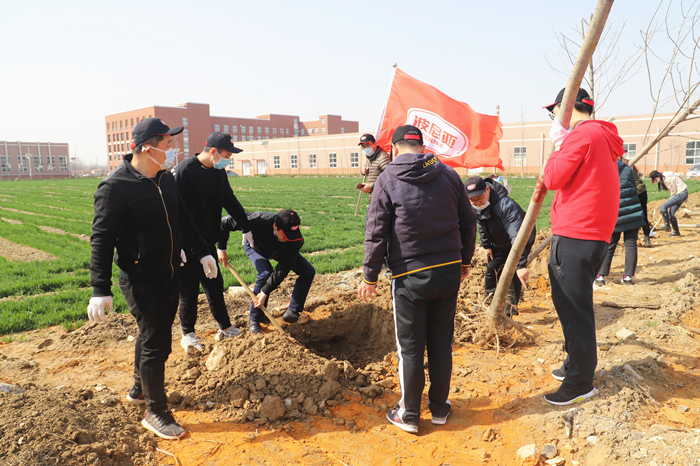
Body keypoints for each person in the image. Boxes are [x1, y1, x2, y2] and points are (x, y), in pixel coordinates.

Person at [88, 118, 218, 440]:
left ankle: (139, 390)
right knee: (157, 343)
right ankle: (156, 412)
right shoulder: (115, 187)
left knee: (150, 336)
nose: (173, 151)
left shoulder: (165, 179)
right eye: (168, 145)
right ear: (148, 148)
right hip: (141, 278)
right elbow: (102, 239)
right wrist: (99, 288)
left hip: (170, 270)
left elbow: (182, 218)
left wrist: (202, 251)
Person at [358, 125, 477, 434]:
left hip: (410, 275)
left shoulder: (387, 180)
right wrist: (465, 261)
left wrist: (369, 277)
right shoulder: (448, 175)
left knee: (410, 348)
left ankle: (409, 414)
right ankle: (439, 409)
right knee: (441, 342)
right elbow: (469, 220)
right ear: (422, 146)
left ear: (395, 148)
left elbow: (376, 233)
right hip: (449, 270)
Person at [543, 88, 622, 406]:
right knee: (572, 305)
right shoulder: (603, 136)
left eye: (554, 112)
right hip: (593, 235)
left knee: (573, 309)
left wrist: (558, 144)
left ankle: (580, 382)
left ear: (564, 108)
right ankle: (573, 364)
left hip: (575, 235)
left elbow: (552, 178)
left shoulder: (580, 137)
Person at [173, 132, 254, 351]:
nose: (228, 160)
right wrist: (176, 243)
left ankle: (225, 328)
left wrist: (246, 226)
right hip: (186, 245)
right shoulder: (184, 171)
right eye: (227, 155)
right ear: (213, 151)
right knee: (188, 290)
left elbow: (230, 200)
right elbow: (172, 211)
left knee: (214, 285)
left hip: (206, 242)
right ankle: (188, 334)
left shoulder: (219, 173)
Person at [218, 209, 315, 333]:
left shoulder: (295, 241)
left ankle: (293, 311)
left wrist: (265, 291)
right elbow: (225, 222)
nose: (288, 238)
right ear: (275, 226)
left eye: (291, 235)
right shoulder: (258, 219)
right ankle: (255, 319)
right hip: (256, 247)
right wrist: (221, 248)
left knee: (308, 271)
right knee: (265, 273)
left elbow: (283, 268)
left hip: (280, 252)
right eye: (285, 235)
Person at [465, 176, 534, 317]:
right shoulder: (478, 206)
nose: (478, 202)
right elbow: (481, 225)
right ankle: (489, 300)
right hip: (501, 241)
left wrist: (520, 264)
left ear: (487, 189)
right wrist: (486, 245)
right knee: (492, 267)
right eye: (473, 200)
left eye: (480, 198)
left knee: (511, 271)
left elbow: (517, 236)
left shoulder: (505, 205)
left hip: (521, 239)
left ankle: (510, 309)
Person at [595, 157, 646, 286]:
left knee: (610, 244)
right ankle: (628, 277)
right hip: (632, 212)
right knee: (631, 244)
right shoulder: (628, 170)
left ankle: (600, 275)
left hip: (615, 214)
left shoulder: (603, 170)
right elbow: (636, 188)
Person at [649, 170, 688, 236]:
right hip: (681, 194)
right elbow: (680, 175)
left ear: (658, 176)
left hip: (681, 194)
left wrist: (671, 203)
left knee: (663, 207)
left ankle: (667, 225)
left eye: (656, 179)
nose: (657, 181)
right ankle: (676, 232)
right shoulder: (666, 176)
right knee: (671, 214)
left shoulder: (668, 179)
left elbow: (673, 193)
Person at [356, 133, 391, 200]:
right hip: (375, 197)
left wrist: (371, 186)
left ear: (375, 144)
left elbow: (389, 177)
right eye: (363, 146)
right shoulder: (370, 158)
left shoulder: (382, 157)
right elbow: (376, 173)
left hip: (382, 198)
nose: (366, 148)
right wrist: (364, 172)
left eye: (368, 145)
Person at [628, 157, 651, 247]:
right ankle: (646, 238)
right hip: (641, 191)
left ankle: (635, 239)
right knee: (642, 214)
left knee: (635, 215)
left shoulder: (623, 166)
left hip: (637, 192)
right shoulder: (628, 165)